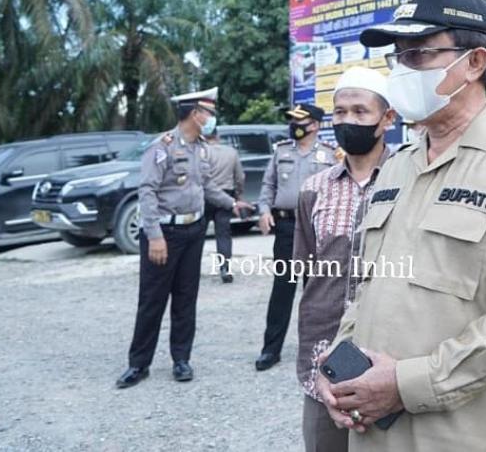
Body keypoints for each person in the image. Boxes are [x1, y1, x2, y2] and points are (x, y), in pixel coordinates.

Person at [316, 0, 486, 452]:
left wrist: (408, 383)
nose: (401, 70)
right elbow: (367, 289)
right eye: (398, 56)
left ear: (475, 62)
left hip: (466, 435)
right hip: (376, 431)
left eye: (418, 53)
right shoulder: (396, 167)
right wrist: (339, 359)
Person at [116, 87, 254, 388]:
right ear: (195, 114)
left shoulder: (200, 148)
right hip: (164, 233)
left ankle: (181, 359)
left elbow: (206, 187)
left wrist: (232, 204)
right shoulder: (162, 147)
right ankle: (138, 364)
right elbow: (147, 192)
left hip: (194, 232)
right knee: (152, 301)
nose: (211, 119)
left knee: (185, 299)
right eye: (209, 113)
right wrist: (154, 236)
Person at [295, 67, 396, 452]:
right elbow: (306, 271)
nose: (347, 121)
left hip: (391, 354)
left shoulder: (409, 180)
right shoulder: (313, 190)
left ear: (387, 119)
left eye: (359, 111)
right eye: (339, 112)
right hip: (324, 355)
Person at [254, 102, 337, 371]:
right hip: (287, 228)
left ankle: (317, 349)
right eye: (292, 121)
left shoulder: (330, 155)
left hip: (316, 229)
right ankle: (270, 350)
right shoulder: (281, 152)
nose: (294, 126)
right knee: (282, 290)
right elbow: (268, 185)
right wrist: (264, 210)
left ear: (314, 125)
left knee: (315, 291)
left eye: (299, 121)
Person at [204, 128, 245, 283]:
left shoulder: (201, 152)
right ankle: (225, 267)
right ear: (218, 136)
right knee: (223, 234)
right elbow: (239, 176)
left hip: (205, 195)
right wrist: (239, 194)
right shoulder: (231, 152)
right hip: (226, 194)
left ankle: (190, 267)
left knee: (198, 233)